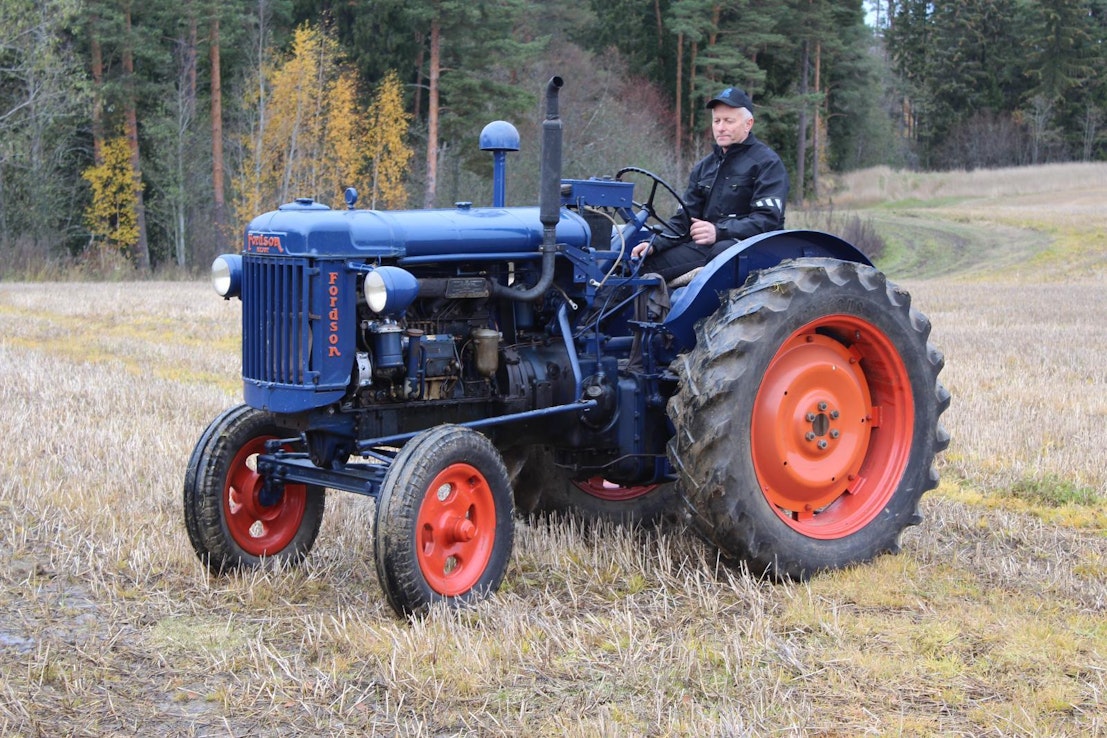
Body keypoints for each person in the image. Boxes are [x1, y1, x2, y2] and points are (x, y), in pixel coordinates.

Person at [631, 86, 789, 282]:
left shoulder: (767, 164)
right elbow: (683, 220)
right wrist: (654, 244)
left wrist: (718, 231)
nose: (721, 127)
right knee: (635, 260)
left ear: (748, 124)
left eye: (729, 121)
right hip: (705, 246)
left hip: (747, 248)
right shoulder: (704, 167)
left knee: (646, 269)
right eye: (717, 120)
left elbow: (767, 221)